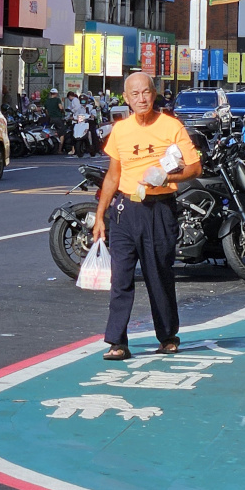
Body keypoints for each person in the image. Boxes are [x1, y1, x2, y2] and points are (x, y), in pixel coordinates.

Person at [91, 72, 203, 361]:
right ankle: (117, 341)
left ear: (154, 95)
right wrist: (100, 215)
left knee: (159, 276)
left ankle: (167, 336)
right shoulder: (121, 130)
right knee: (121, 278)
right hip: (125, 212)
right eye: (135, 94)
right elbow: (113, 175)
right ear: (126, 99)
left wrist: (167, 175)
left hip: (159, 209)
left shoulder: (171, 126)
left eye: (146, 93)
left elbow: (194, 167)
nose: (141, 99)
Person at [43, 88, 66, 152]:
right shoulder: (57, 100)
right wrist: (63, 111)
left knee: (51, 132)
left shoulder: (47, 101)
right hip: (57, 118)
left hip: (50, 119)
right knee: (62, 133)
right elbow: (60, 107)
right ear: (56, 94)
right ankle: (59, 149)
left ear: (50, 94)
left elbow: (46, 111)